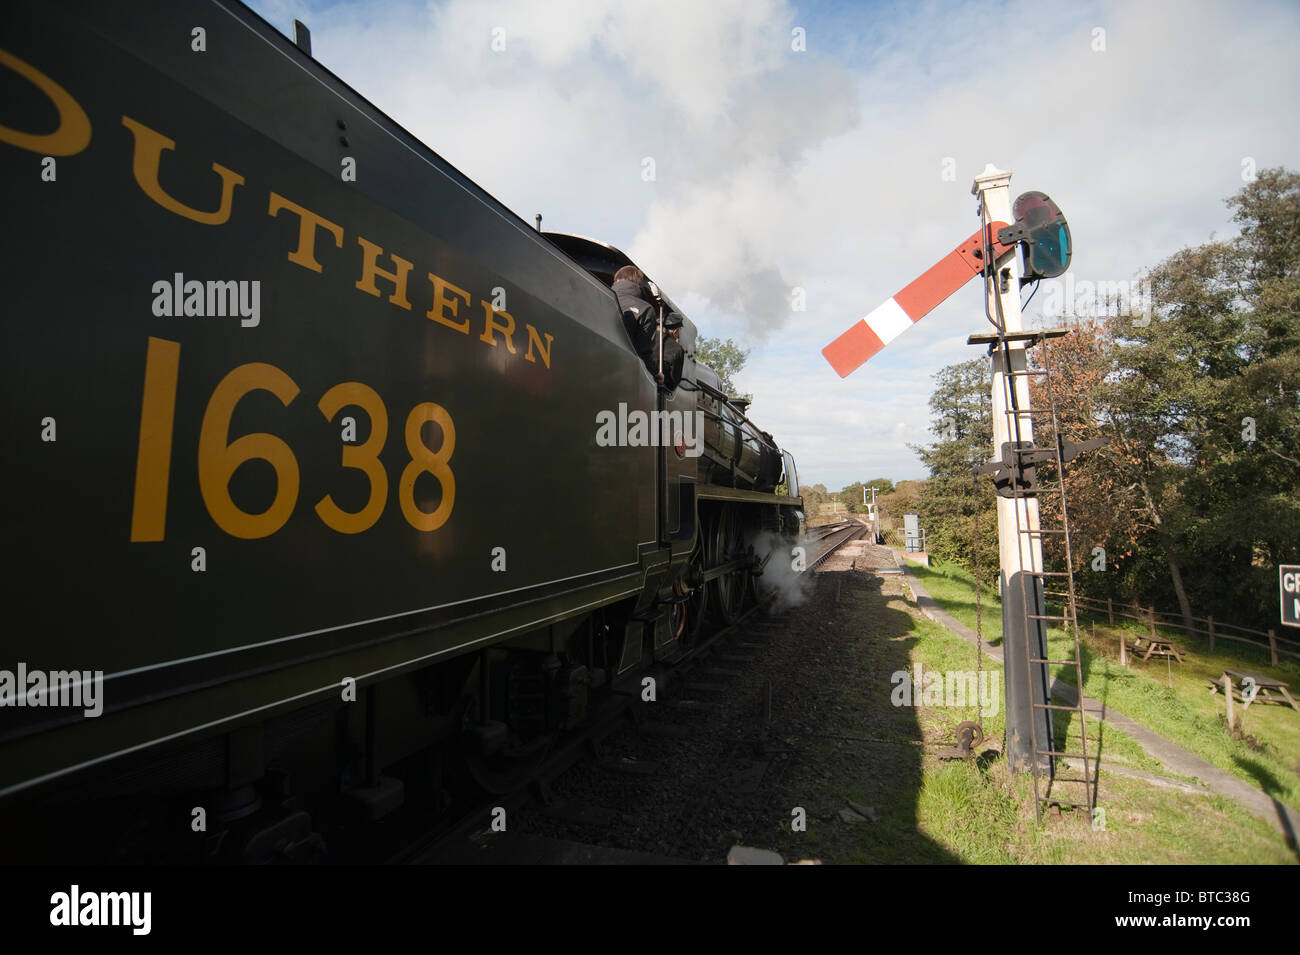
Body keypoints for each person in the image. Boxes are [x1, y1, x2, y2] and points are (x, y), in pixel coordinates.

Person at [611, 264, 683, 389]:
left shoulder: (598, 295)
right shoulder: (645, 309)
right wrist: (656, 373)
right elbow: (642, 352)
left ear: (617, 280)